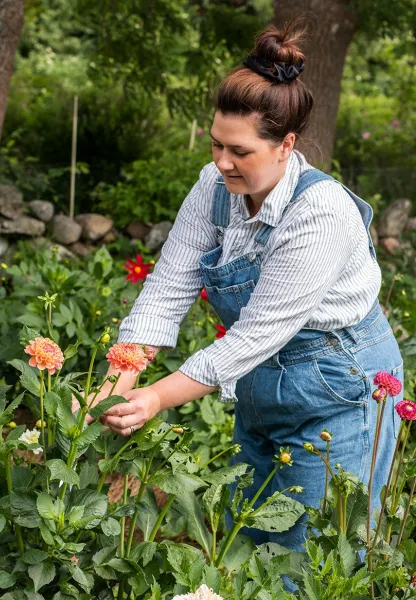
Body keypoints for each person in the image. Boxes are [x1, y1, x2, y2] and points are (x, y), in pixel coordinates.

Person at [90, 23, 404, 551]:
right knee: (247, 543)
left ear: (285, 144)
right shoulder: (213, 187)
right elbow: (167, 290)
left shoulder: (320, 213)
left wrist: (155, 399)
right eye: (215, 144)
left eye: (238, 151)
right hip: (262, 384)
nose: (221, 162)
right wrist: (117, 379)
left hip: (340, 387)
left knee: (312, 555)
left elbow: (253, 337)